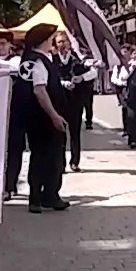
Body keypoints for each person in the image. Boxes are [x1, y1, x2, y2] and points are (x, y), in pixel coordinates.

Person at [16, 23, 70, 213]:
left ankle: (46, 195)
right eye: (51, 39)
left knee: (46, 157)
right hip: (43, 118)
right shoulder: (38, 62)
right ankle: (42, 196)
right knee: (46, 157)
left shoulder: (37, 59)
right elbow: (39, 90)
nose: (53, 42)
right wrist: (54, 115)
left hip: (39, 118)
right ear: (44, 41)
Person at [53, 32, 97, 172]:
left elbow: (93, 72)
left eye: (64, 41)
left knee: (75, 132)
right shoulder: (52, 60)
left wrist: (81, 78)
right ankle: (60, 163)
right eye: (59, 42)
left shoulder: (76, 58)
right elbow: (50, 78)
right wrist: (63, 83)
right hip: (59, 100)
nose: (62, 44)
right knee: (59, 133)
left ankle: (74, 162)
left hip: (75, 100)